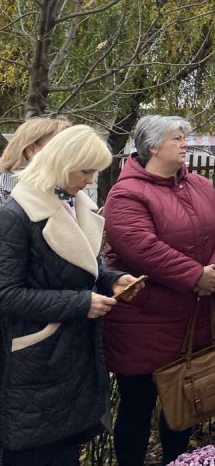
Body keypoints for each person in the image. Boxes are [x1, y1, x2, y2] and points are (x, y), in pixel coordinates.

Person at [0, 126, 142, 466]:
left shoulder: (74, 204)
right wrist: (81, 303)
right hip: (34, 361)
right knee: (35, 454)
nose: (91, 179)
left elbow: (84, 266)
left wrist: (113, 280)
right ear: (60, 163)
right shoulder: (14, 214)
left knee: (62, 451)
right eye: (86, 171)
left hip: (67, 358)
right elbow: (6, 294)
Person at [103, 116, 215, 466]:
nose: (185, 144)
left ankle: (177, 461)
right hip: (144, 321)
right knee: (138, 405)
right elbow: (140, 247)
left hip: (192, 317)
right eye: (178, 139)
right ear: (153, 146)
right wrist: (195, 276)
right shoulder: (126, 192)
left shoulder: (198, 185)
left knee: (183, 404)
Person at [0, 116, 71, 205]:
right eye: (58, 149)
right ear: (32, 150)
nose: (68, 156)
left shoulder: (67, 194)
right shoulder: (6, 200)